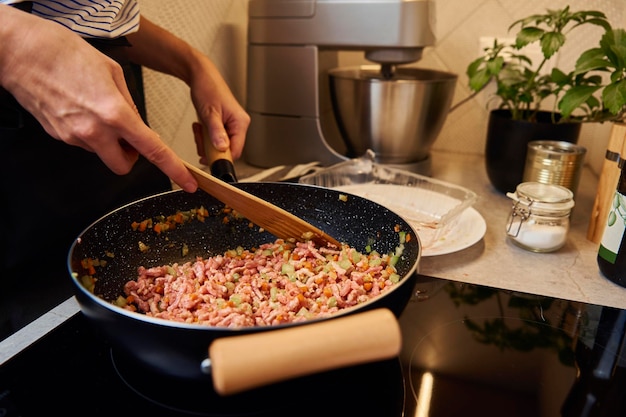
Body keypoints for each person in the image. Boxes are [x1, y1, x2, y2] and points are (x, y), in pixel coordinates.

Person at [0, 0, 251, 338]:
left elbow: (90, 11)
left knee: (136, 282)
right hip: (14, 126)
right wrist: (12, 46)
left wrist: (193, 64)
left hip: (108, 88)